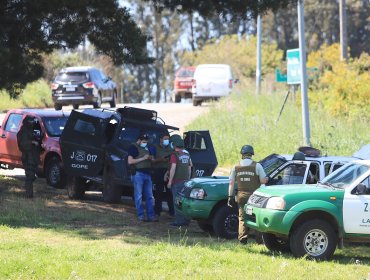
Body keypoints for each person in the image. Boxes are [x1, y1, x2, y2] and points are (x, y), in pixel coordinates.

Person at [228, 145, 268, 244]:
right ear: (251, 154)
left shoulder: (236, 166)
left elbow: (231, 183)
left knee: (242, 217)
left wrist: (229, 196)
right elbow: (263, 180)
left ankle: (242, 239)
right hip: (254, 197)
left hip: (241, 196)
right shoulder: (257, 166)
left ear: (242, 154)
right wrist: (267, 179)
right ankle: (259, 240)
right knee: (256, 217)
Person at [128, 133, 157, 222]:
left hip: (148, 173)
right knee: (139, 196)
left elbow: (153, 159)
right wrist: (143, 158)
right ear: (139, 140)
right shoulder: (133, 147)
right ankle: (141, 216)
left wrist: (151, 158)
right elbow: (130, 161)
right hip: (138, 174)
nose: (145, 143)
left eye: (146, 141)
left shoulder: (147, 147)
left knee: (149, 196)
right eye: (144, 141)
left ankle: (151, 216)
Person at [167, 136, 193, 227]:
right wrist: (188, 179)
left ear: (174, 145)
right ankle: (186, 221)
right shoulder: (187, 155)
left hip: (177, 182)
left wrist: (170, 181)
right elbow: (190, 167)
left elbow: (173, 168)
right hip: (185, 182)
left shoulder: (174, 155)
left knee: (177, 202)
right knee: (184, 202)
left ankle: (179, 222)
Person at [16, 116, 41, 198]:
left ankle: (29, 194)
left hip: (33, 157)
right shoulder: (23, 131)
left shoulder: (31, 130)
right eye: (30, 121)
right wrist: (32, 142)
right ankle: (29, 195)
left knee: (32, 176)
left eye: (33, 121)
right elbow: (22, 144)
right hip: (28, 157)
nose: (32, 122)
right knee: (30, 176)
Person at [151, 133, 174, 217]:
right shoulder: (155, 147)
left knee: (170, 192)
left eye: (168, 139)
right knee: (159, 192)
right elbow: (152, 160)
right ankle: (157, 211)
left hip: (168, 171)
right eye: (165, 139)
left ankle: (172, 212)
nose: (167, 140)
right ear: (160, 139)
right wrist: (161, 159)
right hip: (159, 171)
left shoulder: (170, 148)